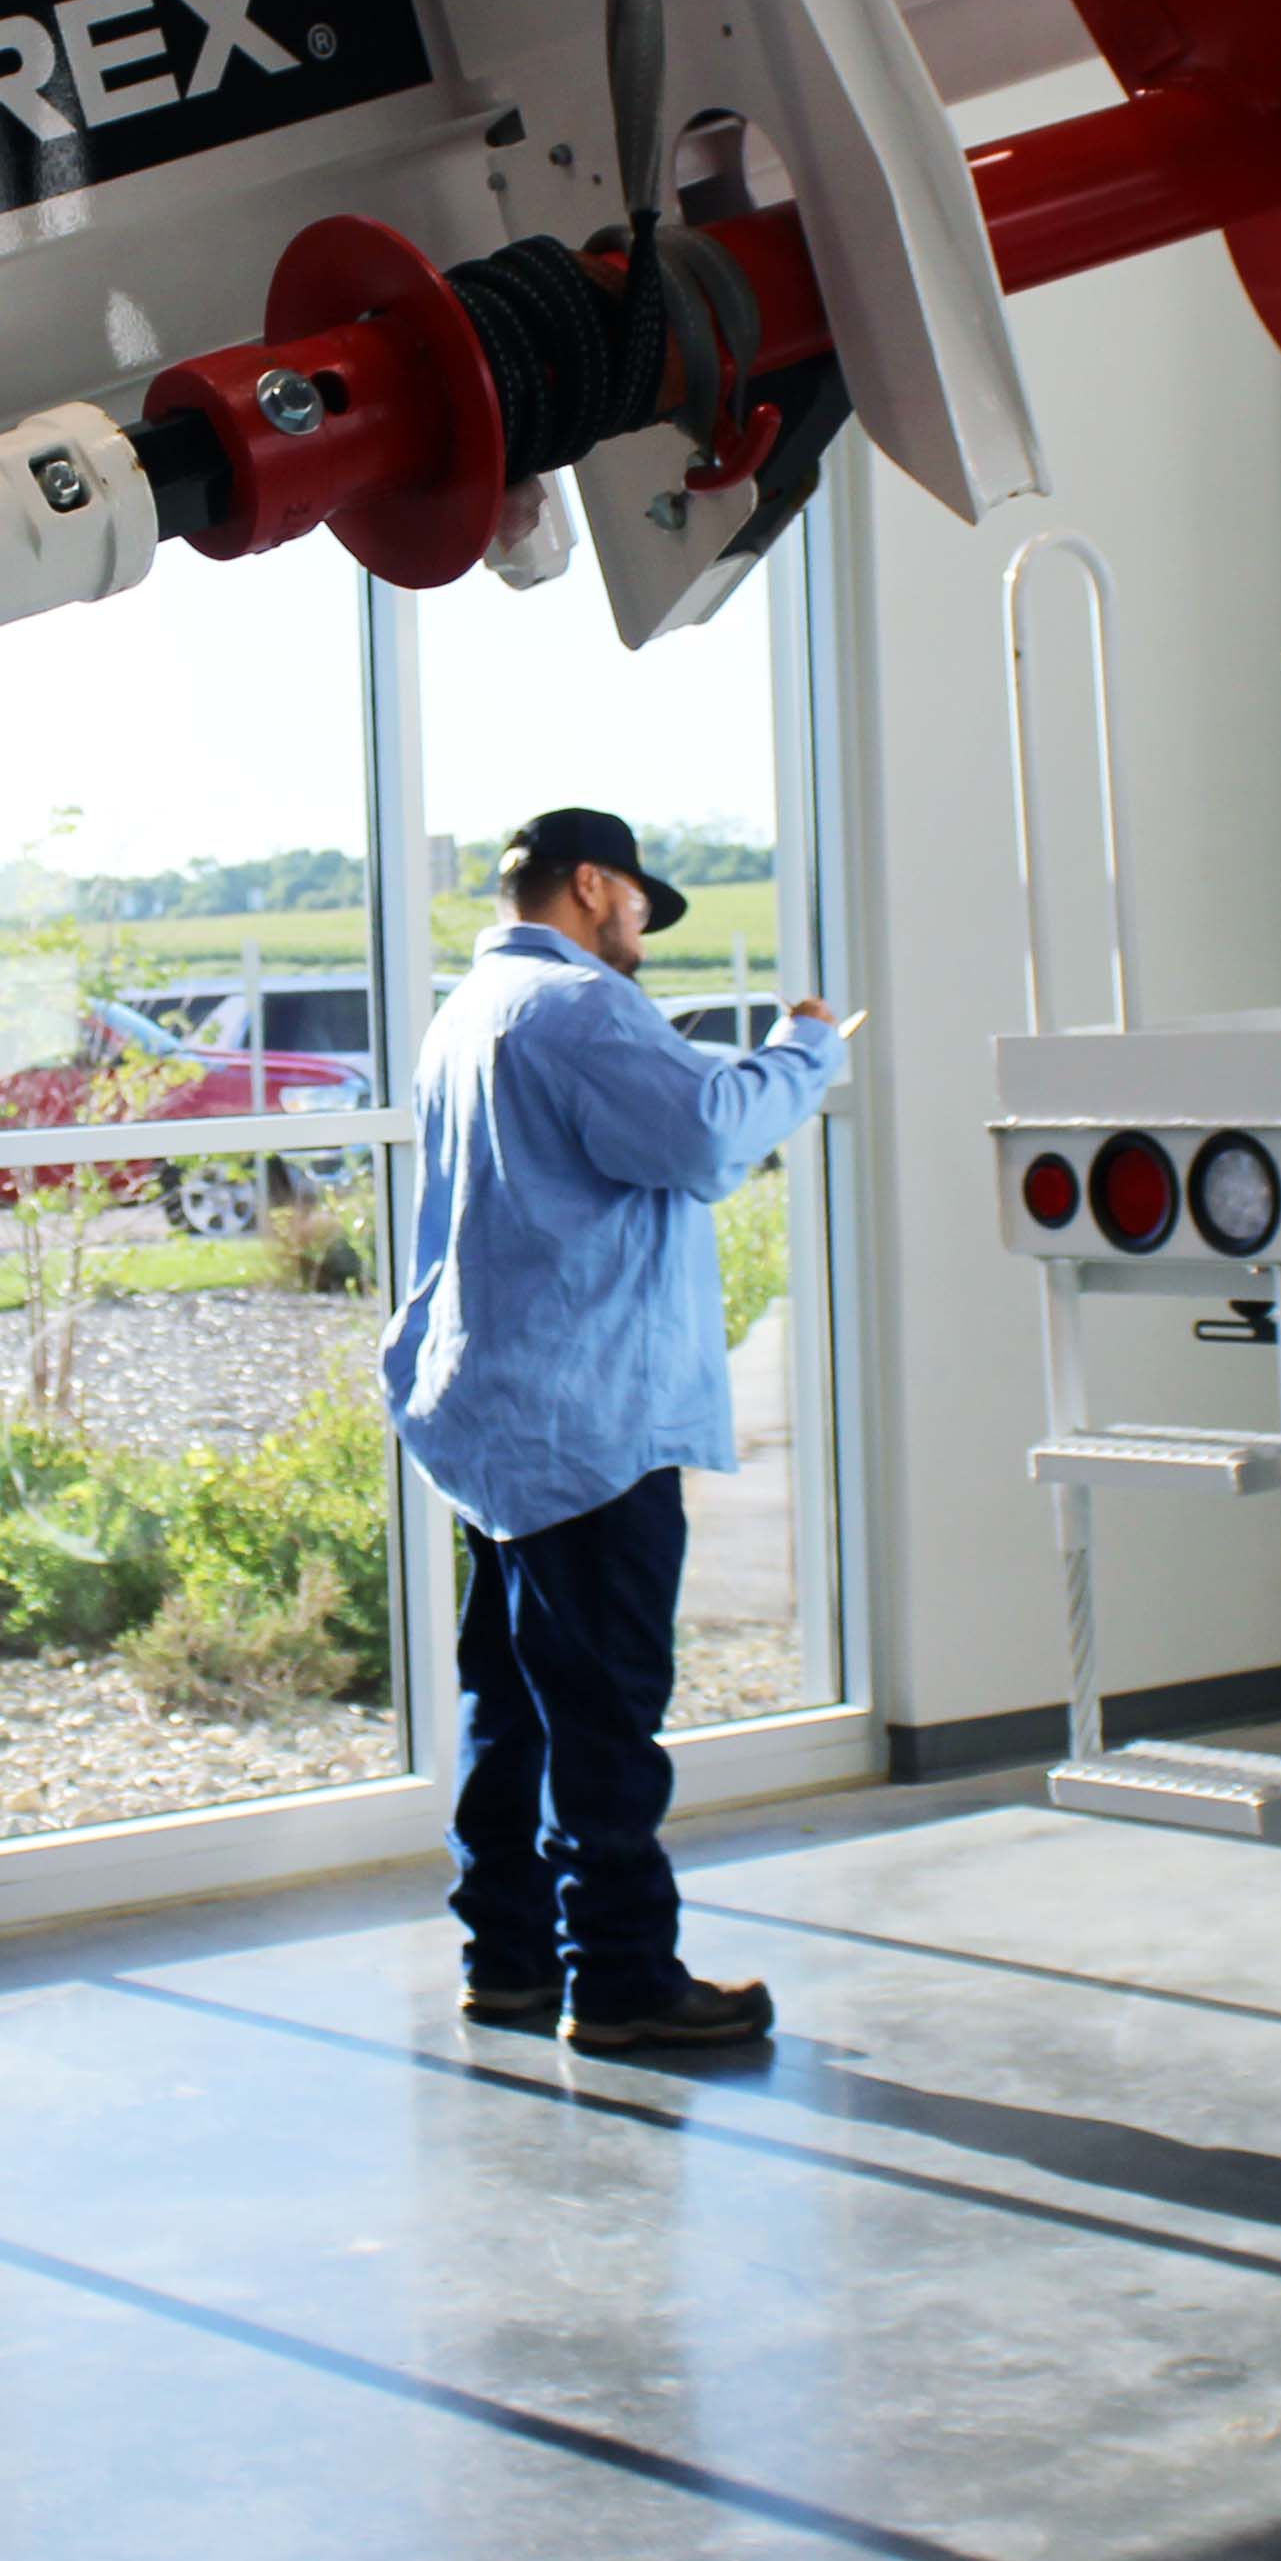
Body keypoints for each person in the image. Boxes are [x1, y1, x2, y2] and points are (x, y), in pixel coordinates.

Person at [382, 807, 844, 2051]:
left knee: (513, 1704)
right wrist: (802, 1052)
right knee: (604, 1714)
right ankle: (628, 1980)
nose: (640, 930)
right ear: (593, 886)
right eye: (637, 903)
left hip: (497, 1412)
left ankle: (512, 1959)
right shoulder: (576, 1010)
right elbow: (699, 1140)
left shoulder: (467, 1010)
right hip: (585, 1418)